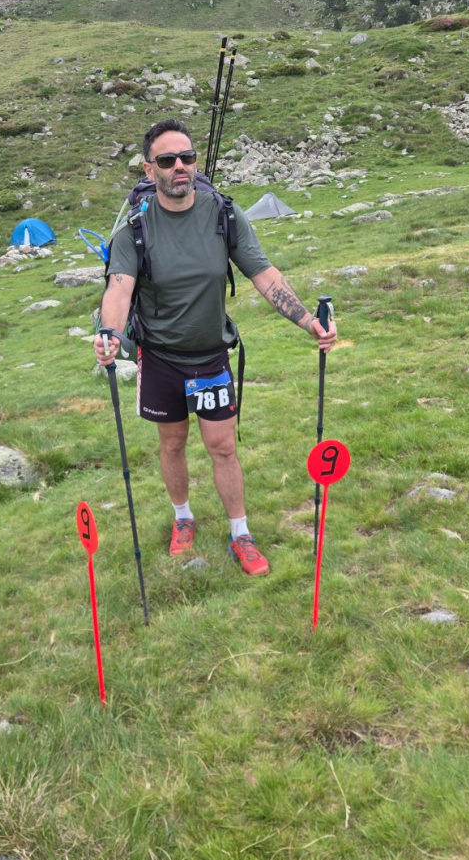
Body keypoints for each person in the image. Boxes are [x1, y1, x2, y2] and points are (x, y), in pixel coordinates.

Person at [94, 118, 337, 576]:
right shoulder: (134, 230)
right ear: (149, 170)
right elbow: (119, 289)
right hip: (159, 356)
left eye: (187, 157)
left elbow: (264, 275)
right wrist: (109, 333)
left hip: (209, 355)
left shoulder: (224, 215)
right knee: (172, 443)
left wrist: (309, 321)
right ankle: (182, 518)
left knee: (222, 446)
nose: (179, 166)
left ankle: (240, 533)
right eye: (167, 159)